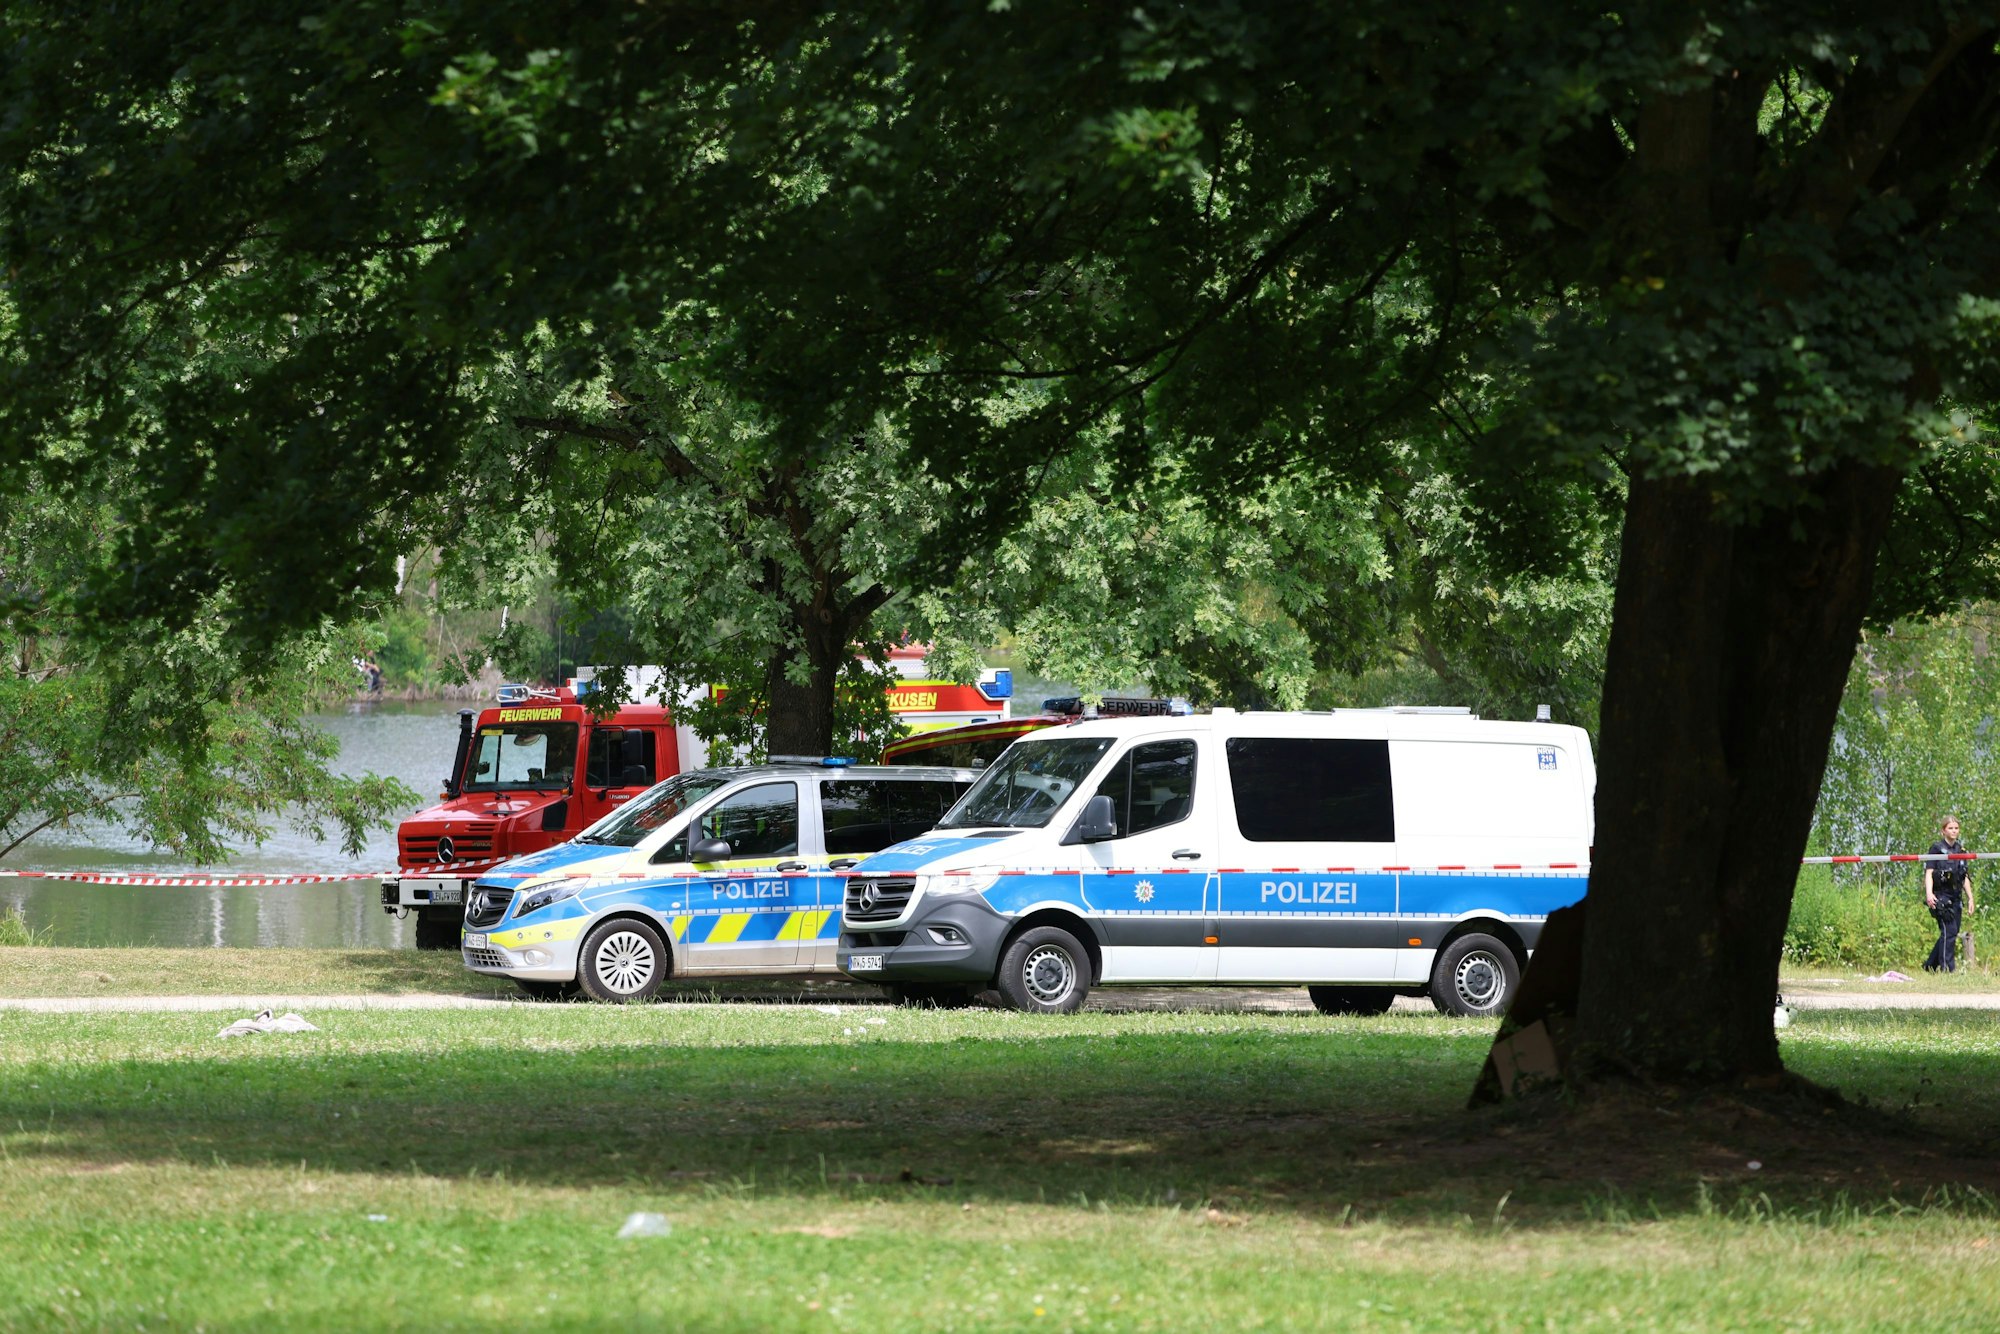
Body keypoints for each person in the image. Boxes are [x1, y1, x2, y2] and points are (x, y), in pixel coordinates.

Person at [1923, 815, 1974, 973]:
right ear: (1943, 830)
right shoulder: (1936, 849)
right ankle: (1947, 969)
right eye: (1950, 828)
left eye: (1956, 828)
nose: (1954, 831)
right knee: (1949, 931)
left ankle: (1930, 965)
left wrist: (1970, 897)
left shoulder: (1961, 850)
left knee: (1951, 932)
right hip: (1941, 896)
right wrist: (1929, 894)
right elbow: (1929, 873)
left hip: (1956, 896)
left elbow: (1963, 876)